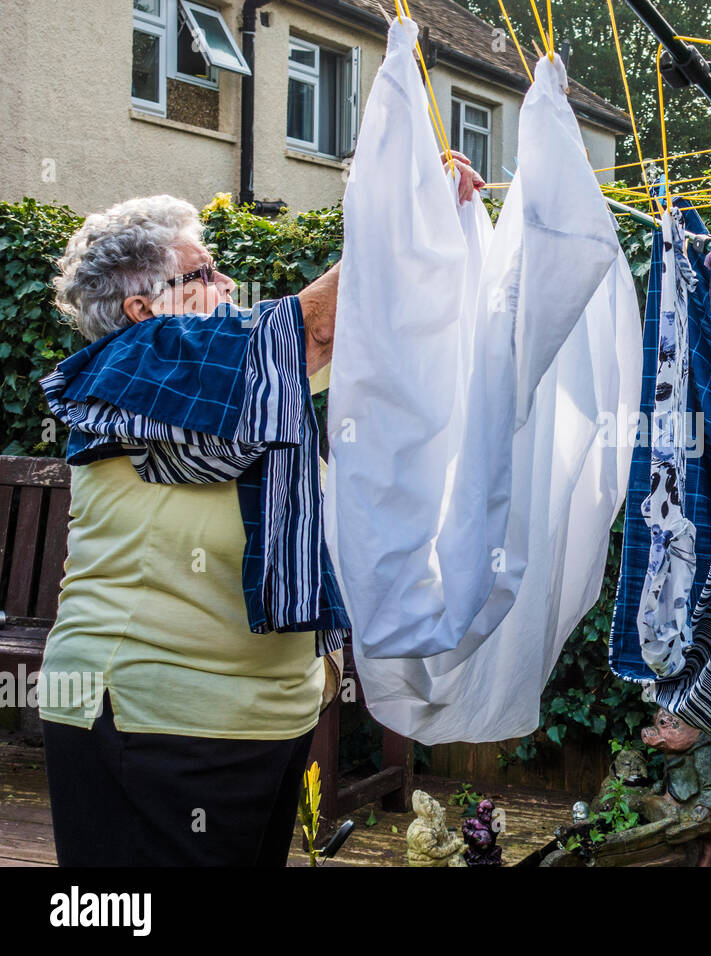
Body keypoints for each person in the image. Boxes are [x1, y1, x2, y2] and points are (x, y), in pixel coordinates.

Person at [37, 151, 484, 867]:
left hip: (263, 719)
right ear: (143, 310)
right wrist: (399, 213)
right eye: (203, 274)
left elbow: (355, 332)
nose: (226, 283)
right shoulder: (133, 366)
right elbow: (314, 329)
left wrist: (434, 228)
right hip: (147, 721)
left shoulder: (240, 383)